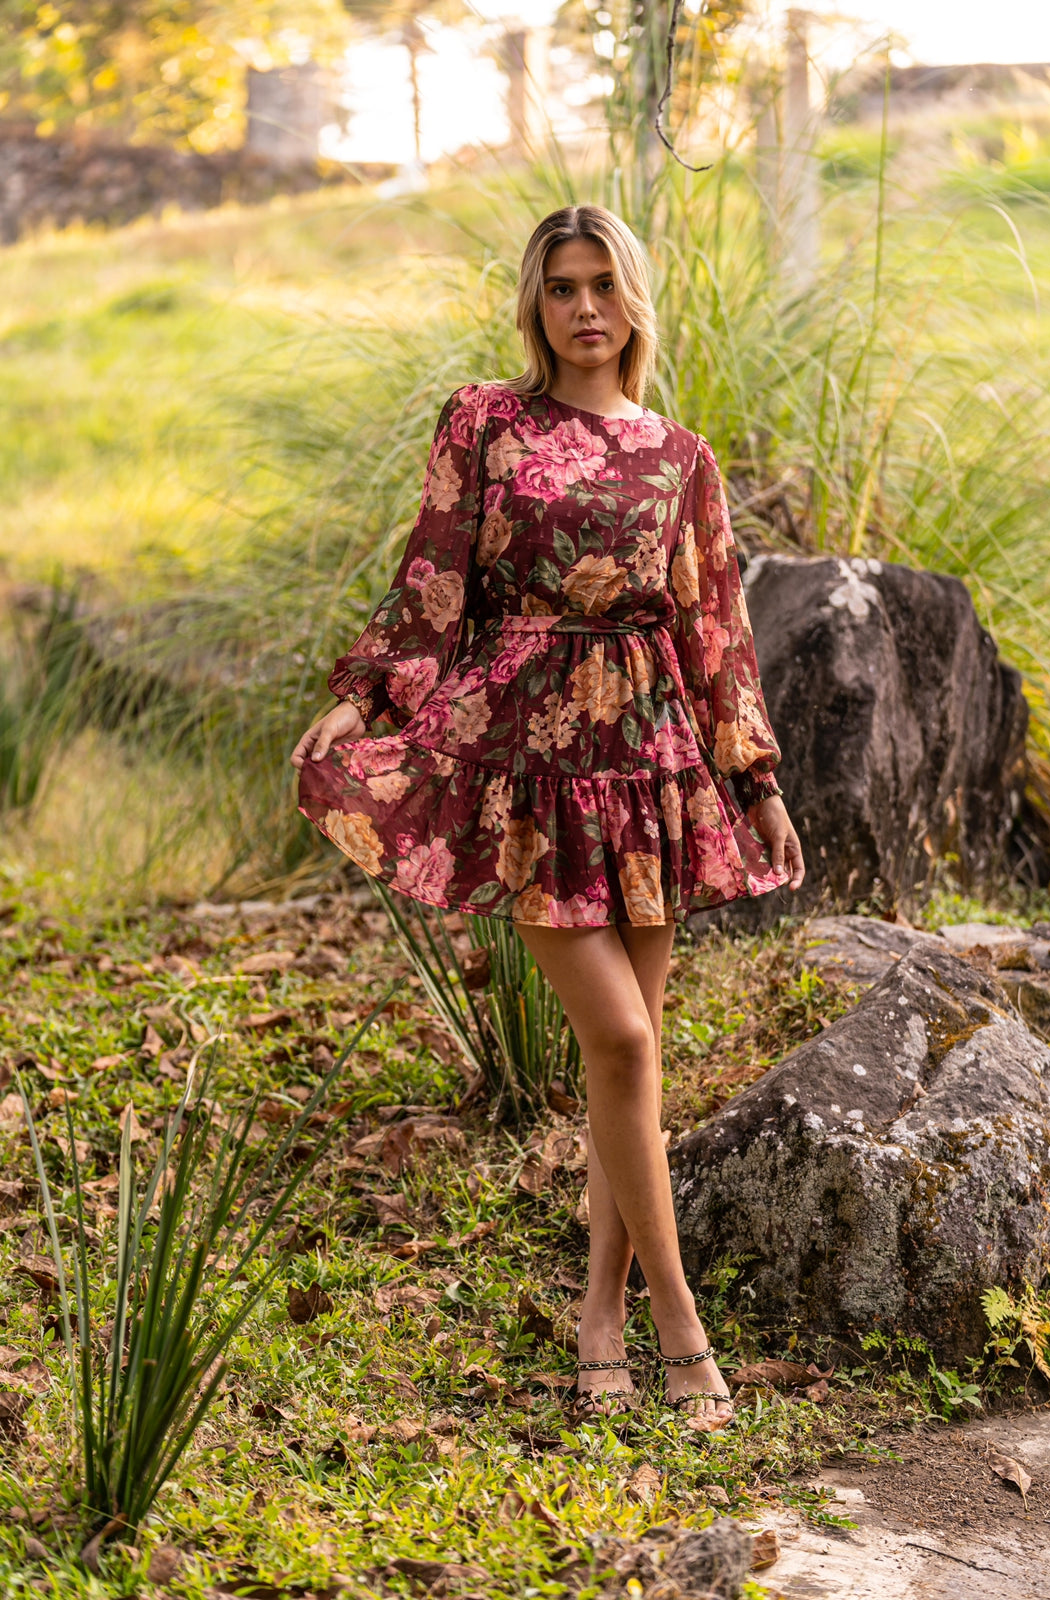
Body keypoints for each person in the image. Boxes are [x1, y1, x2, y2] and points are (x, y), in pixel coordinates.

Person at [290, 204, 804, 1428]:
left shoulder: (681, 458)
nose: (583, 308)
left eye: (603, 286)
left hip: (652, 760)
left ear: (635, 301)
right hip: (524, 760)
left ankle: (600, 1317)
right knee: (622, 1044)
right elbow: (434, 573)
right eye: (561, 287)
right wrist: (366, 698)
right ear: (536, 303)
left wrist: (757, 779)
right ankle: (683, 1327)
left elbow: (713, 628)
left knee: (630, 1057)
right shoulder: (486, 419)